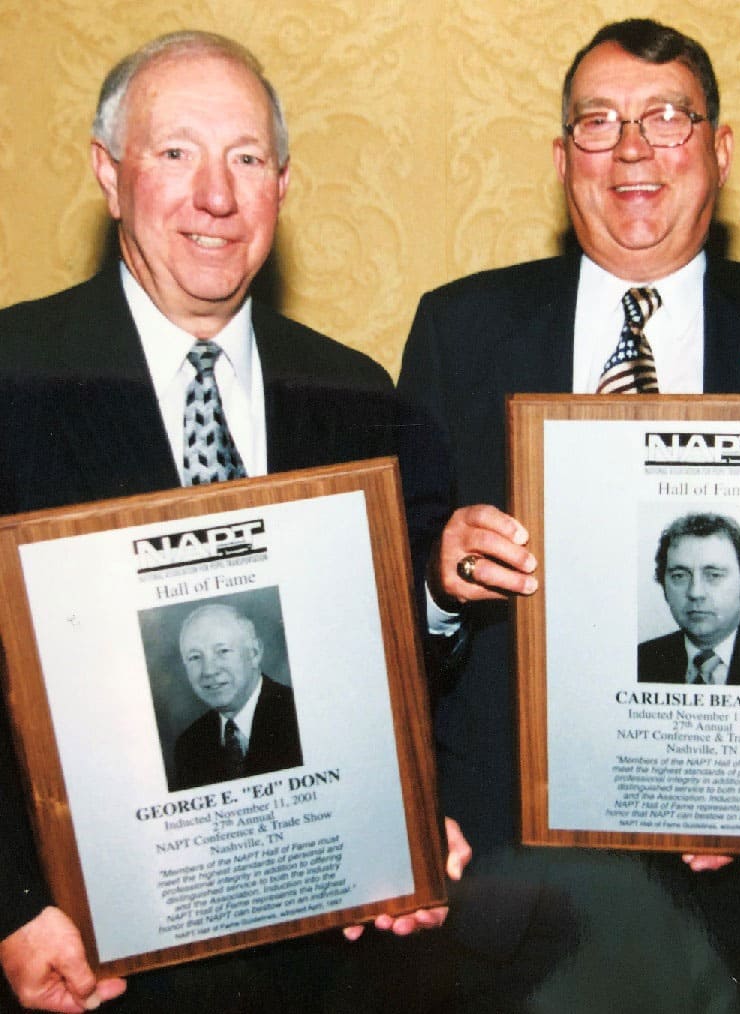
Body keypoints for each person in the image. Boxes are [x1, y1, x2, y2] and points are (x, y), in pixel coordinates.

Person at [0, 30, 470, 1014]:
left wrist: (404, 817)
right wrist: (12, 902)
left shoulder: (351, 392)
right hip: (84, 956)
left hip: (318, 961)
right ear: (106, 172)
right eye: (175, 152)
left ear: (282, 185)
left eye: (247, 159)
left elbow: (384, 670)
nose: (216, 197)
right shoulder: (14, 374)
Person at [398, 16, 740, 1010]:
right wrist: (435, 577)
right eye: (596, 123)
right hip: (521, 898)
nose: (630, 150)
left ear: (718, 151)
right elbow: (386, 624)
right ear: (562, 161)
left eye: (664, 119)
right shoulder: (457, 327)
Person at [170, 603, 303, 790]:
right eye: (195, 657)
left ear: (254, 653)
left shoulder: (301, 715)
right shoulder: (189, 746)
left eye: (222, 651)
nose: (208, 670)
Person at [638, 512, 740, 685]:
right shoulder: (643, 660)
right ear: (664, 587)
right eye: (679, 576)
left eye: (714, 575)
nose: (695, 592)